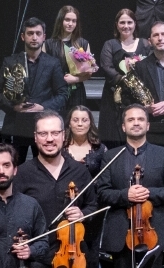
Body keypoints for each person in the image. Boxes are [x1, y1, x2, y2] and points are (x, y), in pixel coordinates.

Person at [95, 105, 164, 268]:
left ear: (148, 125)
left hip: (154, 233)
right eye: (131, 120)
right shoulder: (110, 156)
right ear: (123, 126)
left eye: (141, 119)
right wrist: (125, 195)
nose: (136, 123)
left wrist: (148, 193)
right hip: (119, 234)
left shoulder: (163, 154)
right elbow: (101, 192)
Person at [16, 111, 96, 268]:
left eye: (55, 133)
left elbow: (93, 205)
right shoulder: (22, 173)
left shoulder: (79, 172)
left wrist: (83, 214)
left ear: (63, 135)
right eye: (43, 133)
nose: (49, 139)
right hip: (37, 259)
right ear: (35, 137)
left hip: (75, 257)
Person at [0, 17, 68, 138]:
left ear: (44, 37)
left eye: (38, 33)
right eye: (30, 33)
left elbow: (63, 94)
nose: (34, 37)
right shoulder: (10, 62)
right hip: (15, 122)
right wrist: (13, 107)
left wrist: (43, 107)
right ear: (23, 37)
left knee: (43, 158)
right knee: (14, 157)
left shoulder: (53, 63)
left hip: (43, 124)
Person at [99, 9, 152, 144]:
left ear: (135, 24)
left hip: (138, 98)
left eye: (129, 22)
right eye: (122, 22)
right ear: (117, 24)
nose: (126, 26)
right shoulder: (110, 44)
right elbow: (106, 67)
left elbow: (151, 67)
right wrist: (125, 81)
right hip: (114, 99)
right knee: (113, 137)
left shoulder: (145, 44)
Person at [63, 105, 107, 267]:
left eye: (84, 120)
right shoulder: (59, 148)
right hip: (65, 203)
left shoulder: (101, 149)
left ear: (90, 123)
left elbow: (105, 178)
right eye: (76, 120)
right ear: (69, 123)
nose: (80, 124)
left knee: (91, 248)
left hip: (92, 205)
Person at [45, 5, 94, 111]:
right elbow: (43, 72)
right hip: (55, 93)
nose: (70, 24)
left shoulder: (83, 43)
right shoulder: (48, 44)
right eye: (67, 20)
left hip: (76, 93)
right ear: (60, 20)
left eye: (74, 21)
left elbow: (89, 73)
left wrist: (76, 79)